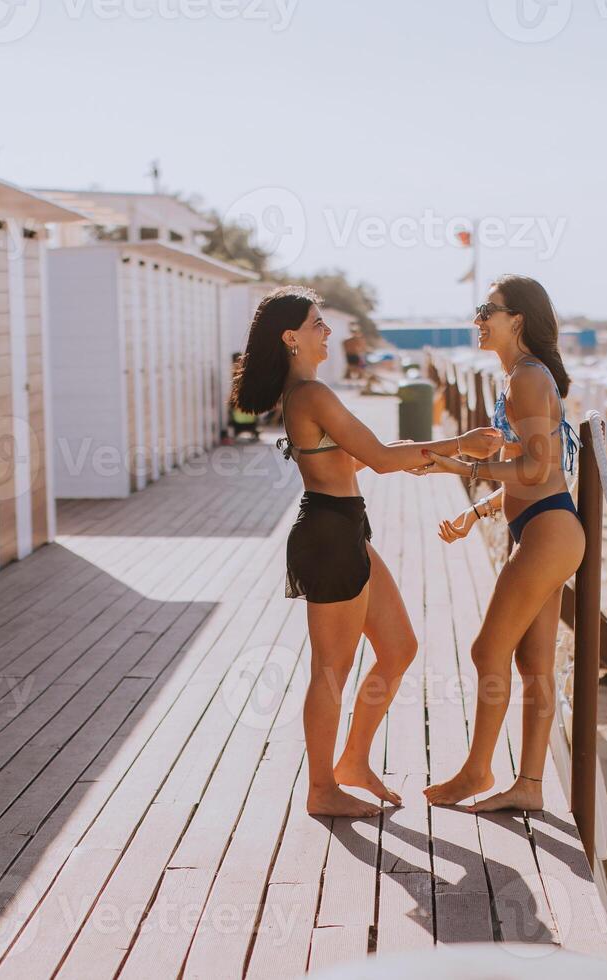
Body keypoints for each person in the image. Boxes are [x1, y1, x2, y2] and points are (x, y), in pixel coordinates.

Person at [230, 285, 502, 817]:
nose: (327, 331)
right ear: (292, 338)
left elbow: (363, 458)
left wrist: (429, 456)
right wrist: (457, 446)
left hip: (346, 529)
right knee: (330, 670)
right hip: (329, 536)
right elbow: (378, 459)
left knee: (398, 648)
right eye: (316, 324)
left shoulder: (311, 393)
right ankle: (321, 789)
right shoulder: (311, 394)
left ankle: (353, 760)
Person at [414, 275, 585, 812]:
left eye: (489, 309)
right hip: (544, 527)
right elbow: (534, 472)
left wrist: (457, 466)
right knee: (535, 667)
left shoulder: (526, 379)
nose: (478, 319)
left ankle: (476, 772)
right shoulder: (520, 377)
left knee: (488, 649)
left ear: (519, 320)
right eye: (478, 308)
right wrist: (477, 508)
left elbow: (538, 467)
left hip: (546, 529)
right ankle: (530, 788)